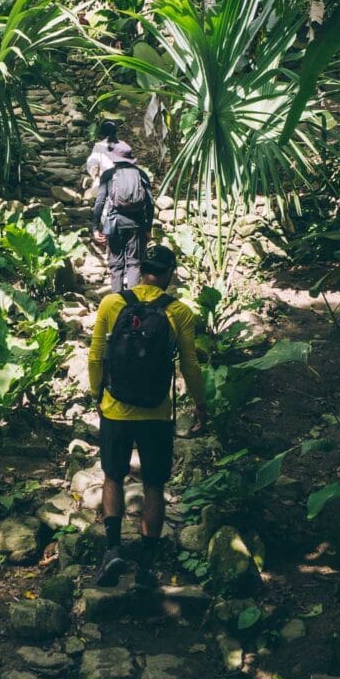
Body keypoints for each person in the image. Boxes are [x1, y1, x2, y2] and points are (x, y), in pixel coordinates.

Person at [87, 244, 208, 588]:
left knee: (113, 476)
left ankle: (112, 551)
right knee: (154, 484)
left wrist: (98, 394)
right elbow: (189, 364)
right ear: (169, 275)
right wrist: (200, 403)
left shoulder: (112, 303)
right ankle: (147, 565)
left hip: (115, 409)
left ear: (140, 270)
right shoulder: (179, 312)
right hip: (156, 413)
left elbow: (96, 356)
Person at [92, 146, 154, 293]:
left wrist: (95, 227)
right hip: (137, 225)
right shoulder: (141, 174)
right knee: (134, 264)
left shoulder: (108, 174)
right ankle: (132, 303)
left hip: (114, 224)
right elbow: (150, 204)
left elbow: (100, 202)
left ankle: (117, 302)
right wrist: (148, 228)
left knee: (116, 264)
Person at [86, 119, 134, 184]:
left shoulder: (98, 146)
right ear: (115, 131)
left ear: (102, 133)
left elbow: (93, 165)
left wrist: (94, 177)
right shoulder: (124, 145)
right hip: (127, 181)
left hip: (108, 181)